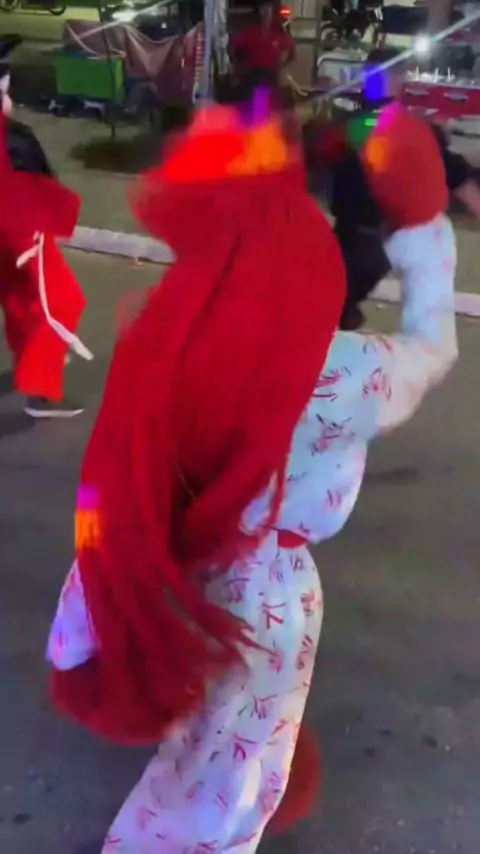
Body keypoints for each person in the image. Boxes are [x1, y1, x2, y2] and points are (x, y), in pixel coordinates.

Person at [46, 91, 457, 853]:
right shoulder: (343, 373)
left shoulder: (165, 339)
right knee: (225, 778)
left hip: (174, 567)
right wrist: (424, 226)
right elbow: (434, 348)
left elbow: (115, 480)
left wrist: (84, 616)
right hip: (267, 598)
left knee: (206, 729)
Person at [309, 45, 480, 330]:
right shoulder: (395, 126)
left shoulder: (374, 127)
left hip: (383, 237)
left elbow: (459, 178)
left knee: (328, 302)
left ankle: (340, 317)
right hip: (377, 237)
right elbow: (460, 179)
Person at [0, 36, 91, 417]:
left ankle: (30, 363)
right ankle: (41, 389)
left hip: (12, 235)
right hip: (20, 233)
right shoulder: (10, 137)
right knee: (61, 301)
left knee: (20, 300)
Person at [229, 1, 296, 87]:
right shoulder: (250, 33)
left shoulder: (278, 34)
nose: (266, 15)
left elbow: (291, 53)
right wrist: (240, 66)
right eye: (263, 12)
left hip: (271, 75)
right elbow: (234, 47)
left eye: (268, 12)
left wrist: (279, 66)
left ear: (272, 15)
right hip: (253, 74)